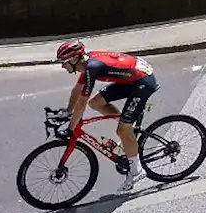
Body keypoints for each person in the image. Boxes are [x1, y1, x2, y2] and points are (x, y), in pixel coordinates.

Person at [54, 41, 159, 192]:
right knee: (96, 103)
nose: (62, 66)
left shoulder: (92, 67)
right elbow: (77, 89)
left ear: (74, 59)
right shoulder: (85, 64)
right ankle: (129, 125)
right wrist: (68, 110)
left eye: (64, 62)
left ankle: (137, 172)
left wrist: (71, 128)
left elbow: (81, 102)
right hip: (132, 77)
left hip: (143, 81)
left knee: (122, 131)